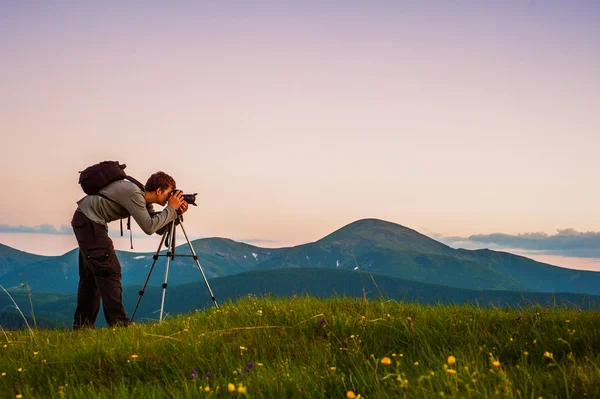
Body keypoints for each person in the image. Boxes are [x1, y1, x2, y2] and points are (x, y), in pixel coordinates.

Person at [71, 171, 188, 330]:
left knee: (91, 276)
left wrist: (174, 213)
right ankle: (119, 325)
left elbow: (156, 226)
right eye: (169, 193)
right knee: (109, 271)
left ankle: (82, 327)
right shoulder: (134, 193)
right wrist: (170, 210)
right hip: (89, 222)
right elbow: (149, 227)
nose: (171, 197)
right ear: (159, 190)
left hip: (87, 222)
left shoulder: (142, 199)